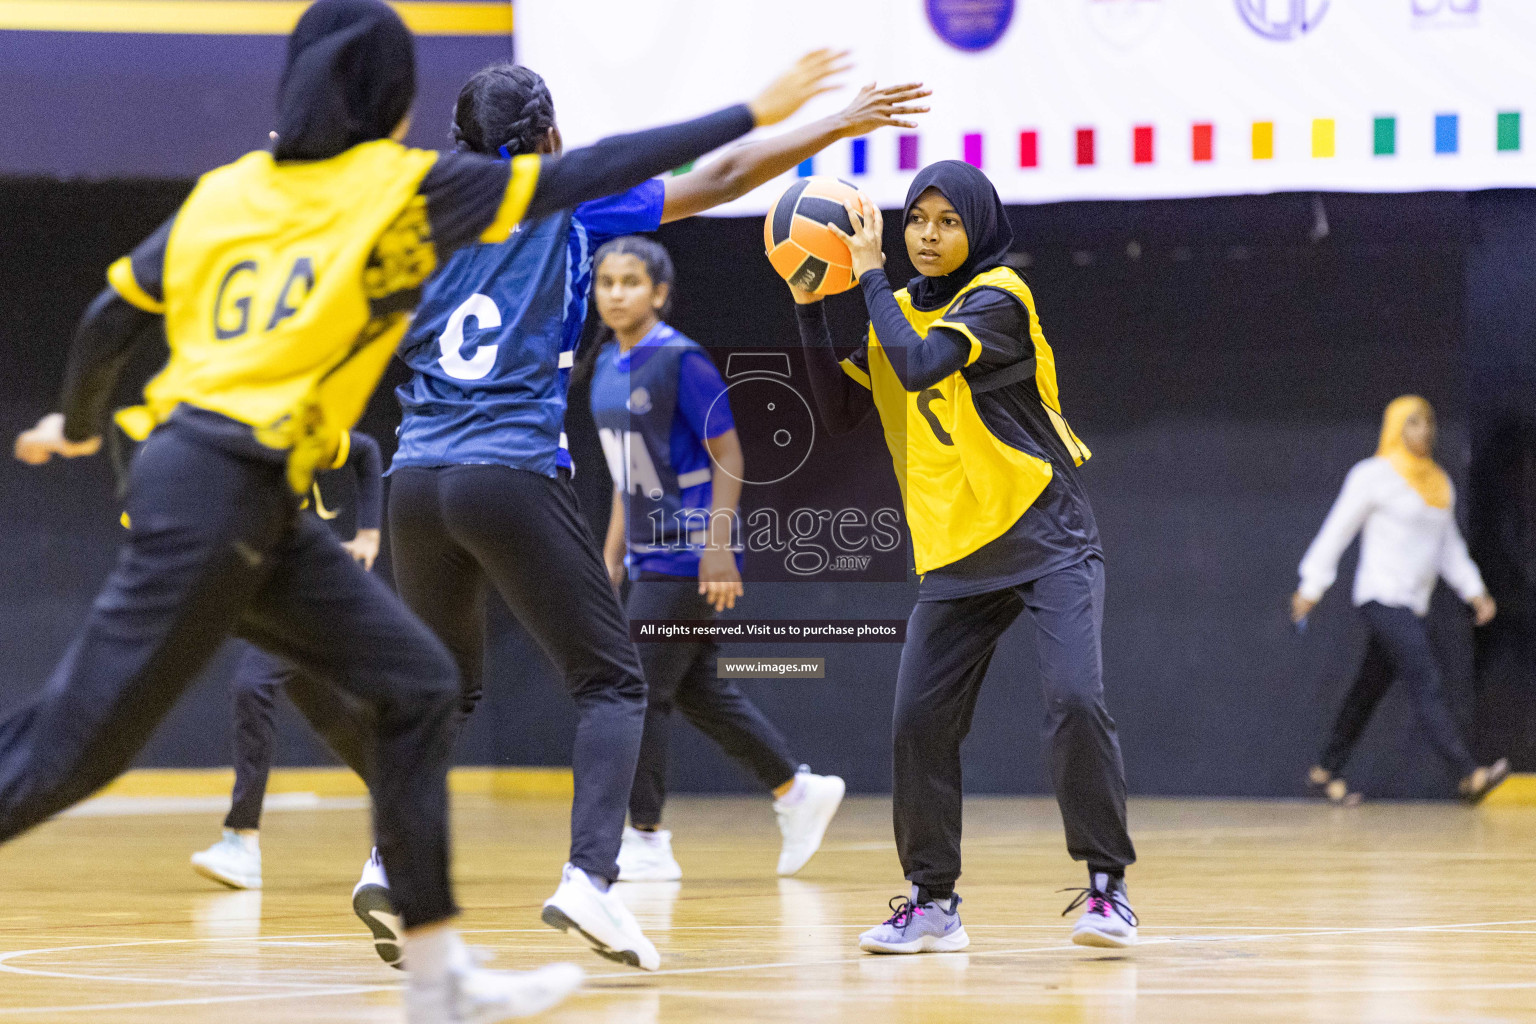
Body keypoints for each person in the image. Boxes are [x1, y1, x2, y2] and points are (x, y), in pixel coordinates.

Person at [8, 0, 840, 1017]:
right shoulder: (422, 194)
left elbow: (110, 315)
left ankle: (428, 949)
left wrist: (82, 421)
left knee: (420, 687)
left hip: (352, 478)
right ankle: (571, 882)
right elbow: (662, 174)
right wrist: (780, 112)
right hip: (319, 474)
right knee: (80, 746)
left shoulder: (270, 193)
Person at [348, 62, 925, 974]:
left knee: (441, 691)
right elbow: (723, 176)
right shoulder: (566, 200)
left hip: (416, 477)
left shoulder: (415, 206)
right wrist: (836, 121)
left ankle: (389, 859)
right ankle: (589, 880)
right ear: (545, 139)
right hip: (508, 469)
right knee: (613, 687)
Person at [789, 161, 1140, 953]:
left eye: (947, 221)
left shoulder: (1000, 298)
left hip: (1045, 535)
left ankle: (1107, 890)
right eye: (917, 219)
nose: (928, 235)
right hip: (955, 552)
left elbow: (917, 364)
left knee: (1076, 702)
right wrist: (810, 306)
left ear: (976, 229)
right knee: (918, 723)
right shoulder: (899, 309)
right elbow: (841, 410)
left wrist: (869, 275)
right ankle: (933, 904)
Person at [586, 236, 845, 883]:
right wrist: (610, 558)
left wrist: (719, 545)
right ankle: (795, 790)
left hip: (687, 556)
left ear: (660, 293)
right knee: (697, 689)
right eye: (606, 282)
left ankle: (645, 838)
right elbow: (627, 477)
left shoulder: (681, 360)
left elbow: (729, 454)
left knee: (636, 691)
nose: (616, 292)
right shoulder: (604, 369)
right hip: (647, 559)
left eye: (630, 281)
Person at [1291, 395, 1510, 804]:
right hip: (1381, 596)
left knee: (1368, 688)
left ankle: (1326, 769)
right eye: (1412, 423)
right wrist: (1311, 585)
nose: (1423, 431)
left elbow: (1449, 548)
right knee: (1426, 678)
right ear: (1395, 427)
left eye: (1427, 423)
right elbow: (1337, 529)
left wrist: (1475, 591)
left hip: (1414, 603)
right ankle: (1467, 773)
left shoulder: (1439, 482)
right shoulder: (1373, 475)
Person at [190, 429, 383, 891]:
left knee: (251, 686)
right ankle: (406, 790)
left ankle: (241, 840)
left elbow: (366, 451)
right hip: (268, 598)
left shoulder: (291, 431)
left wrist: (369, 534)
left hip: (313, 590)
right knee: (325, 711)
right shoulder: (201, 461)